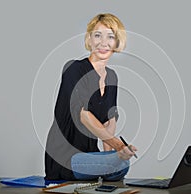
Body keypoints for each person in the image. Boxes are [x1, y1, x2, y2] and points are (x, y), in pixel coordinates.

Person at [44, 13, 137, 181]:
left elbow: (109, 122)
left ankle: (108, 169)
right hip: (66, 158)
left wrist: (112, 158)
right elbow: (84, 115)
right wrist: (119, 146)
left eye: (110, 36)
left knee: (121, 164)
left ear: (117, 42)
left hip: (90, 155)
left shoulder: (112, 77)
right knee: (117, 163)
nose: (103, 43)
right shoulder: (74, 69)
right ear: (89, 39)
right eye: (97, 35)